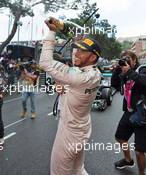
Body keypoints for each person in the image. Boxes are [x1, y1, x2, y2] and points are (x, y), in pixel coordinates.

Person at [40, 17, 101, 175]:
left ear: (93, 57)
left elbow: (45, 63)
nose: (76, 54)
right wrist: (76, 40)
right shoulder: (94, 73)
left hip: (69, 134)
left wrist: (52, 32)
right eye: (76, 49)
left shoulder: (77, 77)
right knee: (77, 170)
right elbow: (76, 67)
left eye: (82, 51)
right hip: (81, 129)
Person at [113, 50, 146, 175]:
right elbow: (114, 85)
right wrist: (117, 70)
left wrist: (129, 71)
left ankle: (141, 173)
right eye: (123, 58)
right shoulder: (123, 71)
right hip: (129, 112)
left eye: (128, 58)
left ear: (134, 60)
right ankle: (128, 160)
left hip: (143, 114)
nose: (125, 61)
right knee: (120, 137)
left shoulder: (142, 69)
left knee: (139, 150)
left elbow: (144, 81)